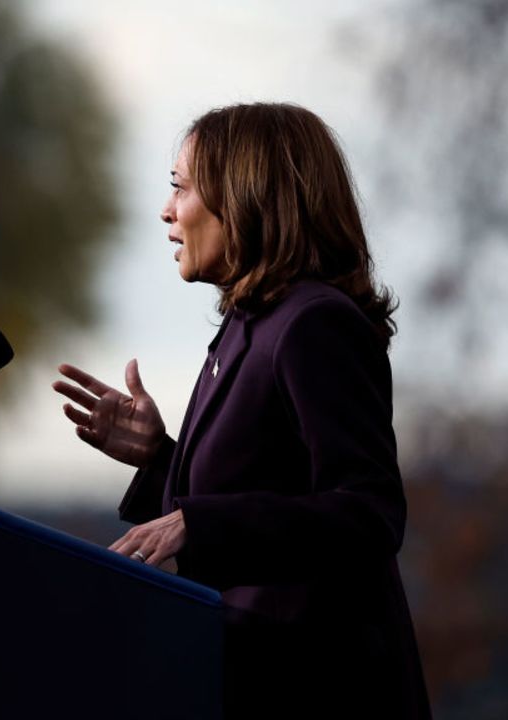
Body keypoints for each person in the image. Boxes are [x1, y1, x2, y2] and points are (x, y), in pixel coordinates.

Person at [52, 103, 430, 718]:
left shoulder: (314, 325)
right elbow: (261, 491)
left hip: (321, 688)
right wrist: (158, 458)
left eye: (180, 187)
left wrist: (197, 526)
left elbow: (368, 512)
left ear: (247, 194)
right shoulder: (248, 325)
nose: (166, 210)